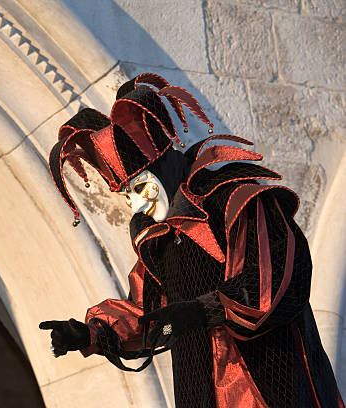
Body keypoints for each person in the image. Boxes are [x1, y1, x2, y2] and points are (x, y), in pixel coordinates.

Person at [40, 73, 343, 407]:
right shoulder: (157, 241)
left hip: (263, 383)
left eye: (140, 188)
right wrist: (94, 334)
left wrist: (203, 310)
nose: (137, 205)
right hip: (199, 390)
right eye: (126, 196)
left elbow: (276, 283)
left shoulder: (235, 200)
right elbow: (148, 312)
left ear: (165, 167)